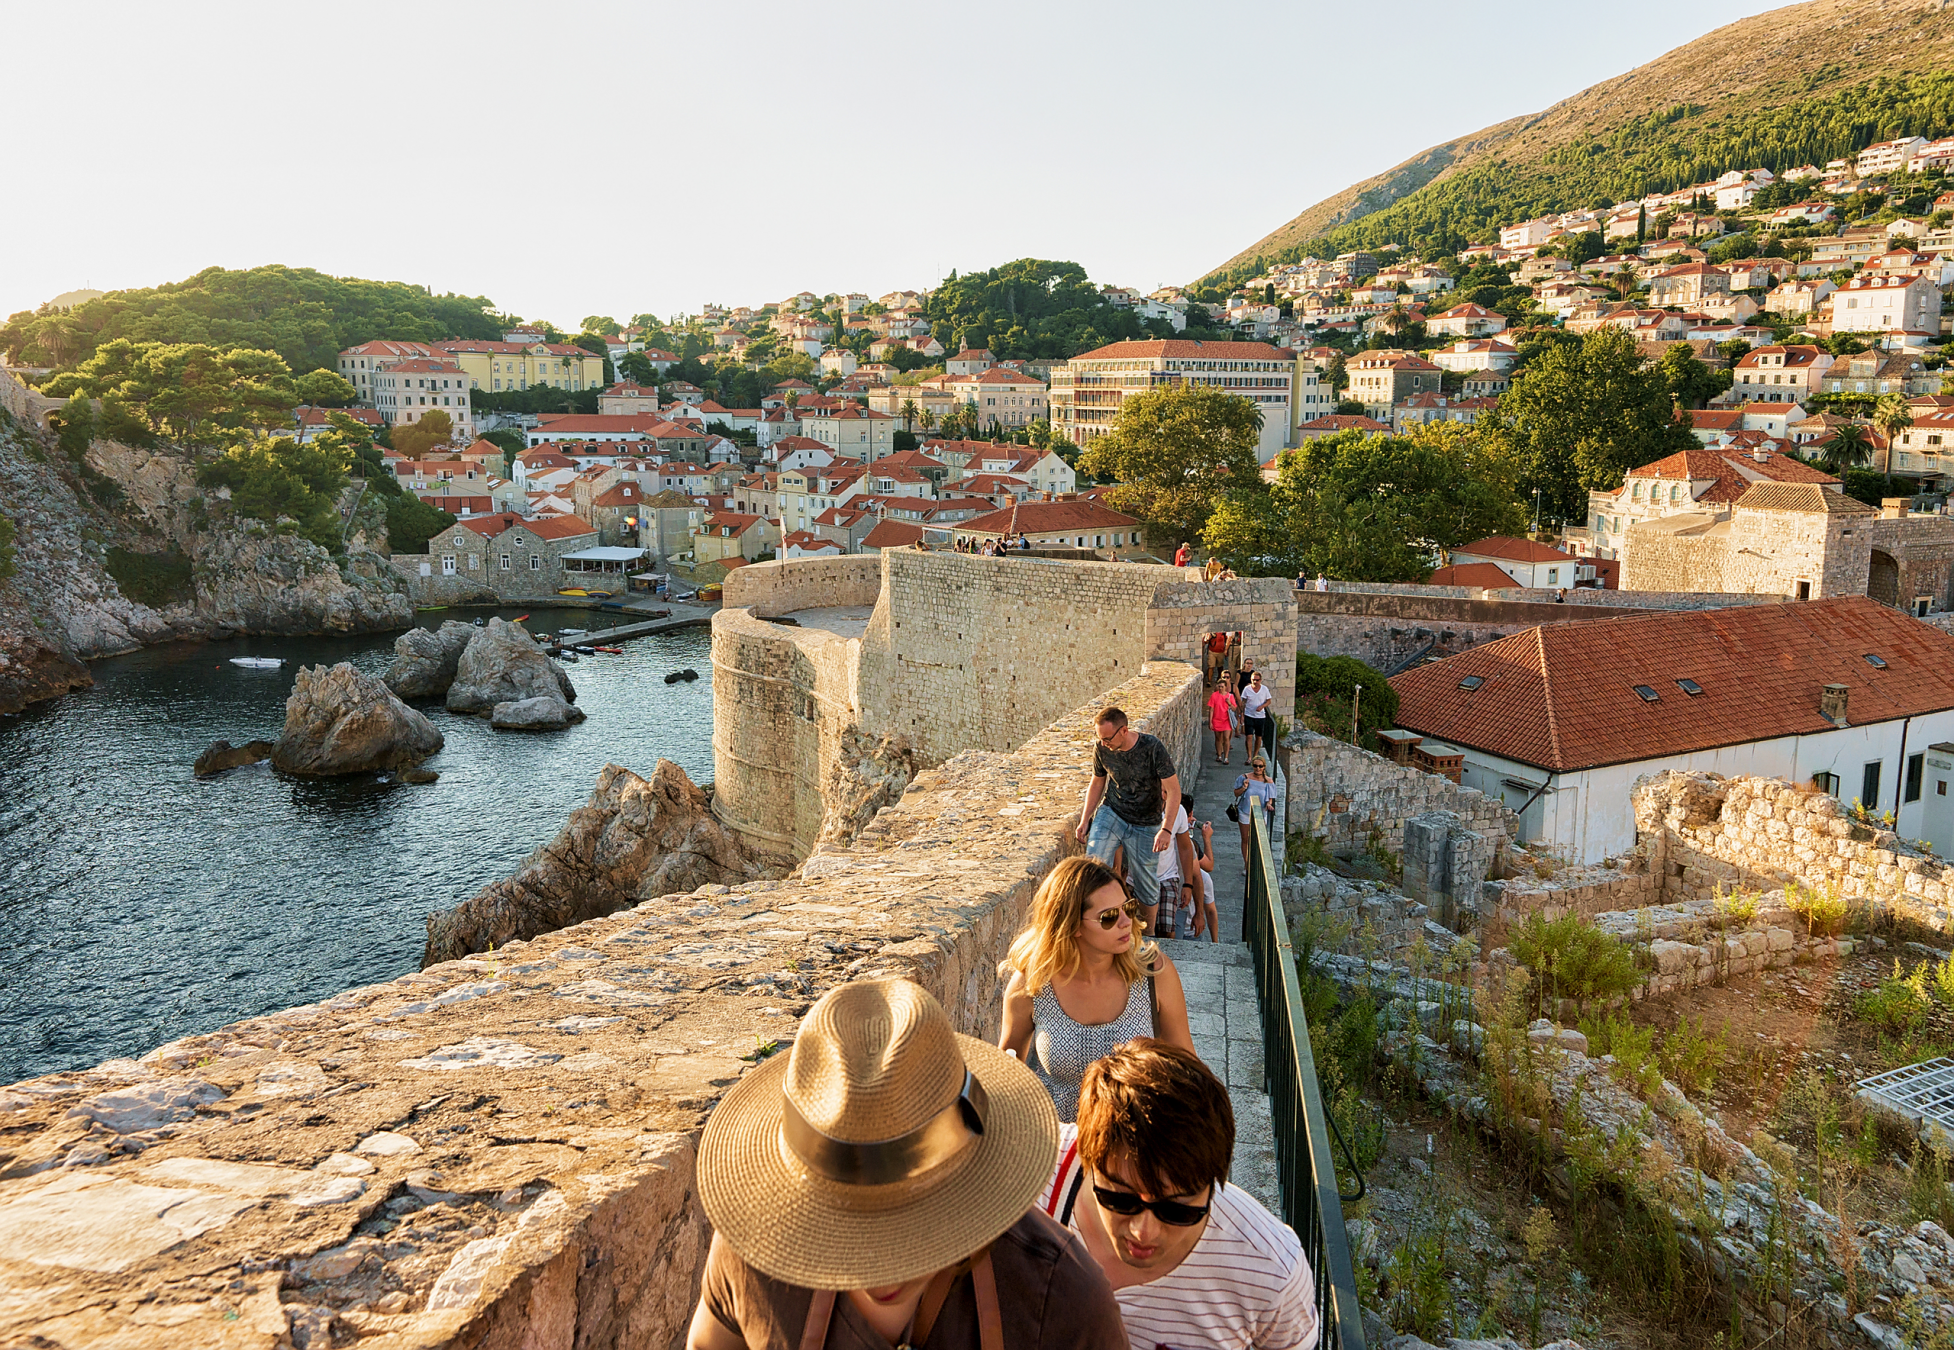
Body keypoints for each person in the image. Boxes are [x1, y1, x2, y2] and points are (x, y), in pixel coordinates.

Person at [688, 977, 1129, 1350]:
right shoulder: (754, 1255)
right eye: (848, 1228)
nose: (880, 1271)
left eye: (905, 1227)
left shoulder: (1060, 1297)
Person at [1039, 1040, 1320, 1350]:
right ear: (1088, 1155)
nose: (1143, 1232)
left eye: (1177, 1211)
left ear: (1213, 1181)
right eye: (1120, 1199)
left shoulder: (1271, 1269)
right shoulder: (1031, 1179)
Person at [1001, 857, 1195, 1122]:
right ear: (1072, 925)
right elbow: (1007, 1070)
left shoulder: (1153, 973)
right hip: (1058, 1143)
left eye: (1128, 907)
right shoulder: (1032, 984)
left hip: (1135, 1140)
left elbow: (1187, 1069)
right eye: (1109, 917)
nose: (1126, 922)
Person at [1077, 706, 1186, 933]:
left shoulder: (1152, 747)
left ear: (1124, 731)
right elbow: (1097, 781)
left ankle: (1149, 934)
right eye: (1100, 738)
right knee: (1094, 862)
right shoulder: (1101, 748)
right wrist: (1085, 818)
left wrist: (1166, 829)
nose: (1103, 743)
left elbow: (1174, 790)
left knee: (1146, 884)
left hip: (1146, 822)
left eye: (1107, 738)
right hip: (1113, 811)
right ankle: (1093, 927)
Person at [1233, 757, 1278, 866]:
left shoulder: (1268, 781)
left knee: (1258, 840)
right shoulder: (1244, 778)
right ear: (1252, 766)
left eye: (1260, 766)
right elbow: (1236, 793)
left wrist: (1269, 804)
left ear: (1264, 767)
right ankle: (1247, 865)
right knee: (1245, 839)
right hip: (1245, 812)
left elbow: (1270, 798)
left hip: (1261, 814)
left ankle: (1255, 863)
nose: (1258, 768)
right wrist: (1244, 787)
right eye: (1255, 766)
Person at [1239, 670, 1274, 764]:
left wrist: (1262, 706)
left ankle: (1255, 755)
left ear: (1260, 680)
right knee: (1249, 736)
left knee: (1258, 737)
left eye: (1257, 680)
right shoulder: (1247, 689)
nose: (1255, 682)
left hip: (1260, 716)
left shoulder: (1264, 689)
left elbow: (1269, 701)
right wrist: (1241, 714)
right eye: (1253, 680)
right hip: (1249, 715)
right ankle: (1249, 757)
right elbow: (1243, 702)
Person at [1206, 680, 1238, 765]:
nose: (1220, 688)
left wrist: (1229, 703)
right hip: (1216, 720)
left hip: (1226, 720)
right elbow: (1211, 709)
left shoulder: (1230, 696)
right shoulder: (1214, 695)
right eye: (1219, 686)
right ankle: (1219, 755)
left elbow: (1234, 708)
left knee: (1226, 738)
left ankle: (1226, 757)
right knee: (1218, 738)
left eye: (1222, 686)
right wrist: (1210, 722)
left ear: (1226, 687)